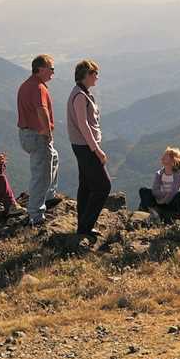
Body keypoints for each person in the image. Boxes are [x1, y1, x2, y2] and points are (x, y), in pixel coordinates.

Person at [66, 59, 112, 237]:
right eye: (95, 74)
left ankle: (82, 225)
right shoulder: (80, 96)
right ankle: (85, 226)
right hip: (86, 147)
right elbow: (83, 125)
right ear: (86, 75)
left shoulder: (80, 93)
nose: (97, 77)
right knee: (103, 186)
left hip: (82, 145)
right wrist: (97, 150)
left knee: (85, 185)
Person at [17, 54, 59, 227]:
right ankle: (36, 215)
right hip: (37, 135)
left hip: (26, 134)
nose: (53, 73)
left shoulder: (26, 85)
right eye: (51, 69)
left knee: (53, 157)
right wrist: (47, 131)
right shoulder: (38, 87)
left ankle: (49, 197)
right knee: (40, 175)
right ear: (41, 69)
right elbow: (41, 109)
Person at [138, 147, 180, 226]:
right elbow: (155, 190)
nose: (163, 156)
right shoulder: (159, 174)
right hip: (161, 200)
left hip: (172, 203)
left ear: (173, 160)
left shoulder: (179, 176)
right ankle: (154, 214)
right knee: (144, 190)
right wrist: (161, 199)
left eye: (166, 155)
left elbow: (173, 192)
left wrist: (163, 199)